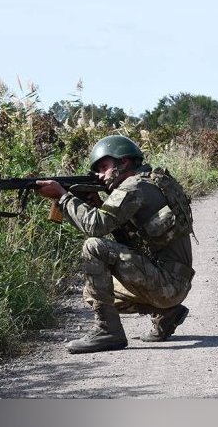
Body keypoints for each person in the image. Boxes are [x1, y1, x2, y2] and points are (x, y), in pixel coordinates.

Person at [35, 135, 195, 354]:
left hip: (167, 285)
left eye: (104, 167)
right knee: (91, 292)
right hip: (173, 283)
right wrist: (99, 204)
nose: (100, 175)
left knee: (93, 246)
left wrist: (63, 197)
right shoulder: (150, 182)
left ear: (124, 162)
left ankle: (107, 331)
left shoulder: (133, 187)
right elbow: (136, 242)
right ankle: (168, 313)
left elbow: (95, 226)